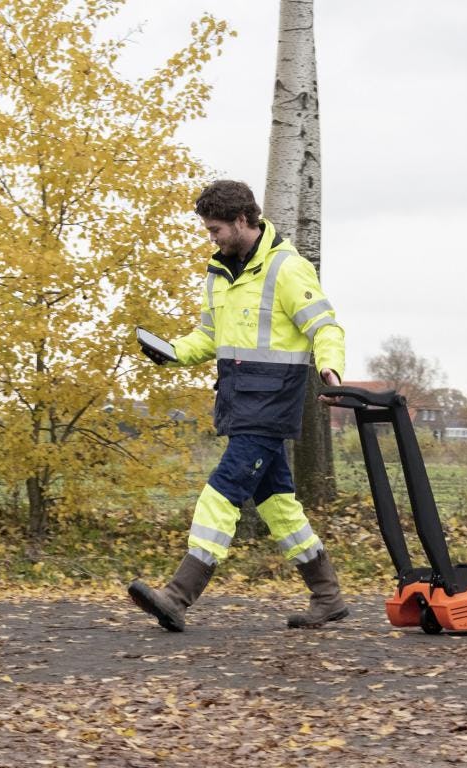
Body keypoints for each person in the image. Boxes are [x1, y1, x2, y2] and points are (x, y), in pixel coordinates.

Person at [128, 180, 348, 632]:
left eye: (216, 229)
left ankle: (178, 595)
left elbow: (325, 326)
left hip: (271, 405)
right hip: (237, 401)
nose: (212, 238)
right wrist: (172, 351)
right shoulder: (218, 273)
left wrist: (330, 369)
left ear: (243, 221)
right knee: (278, 505)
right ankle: (328, 596)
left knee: (223, 489)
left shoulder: (287, 269)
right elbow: (210, 336)